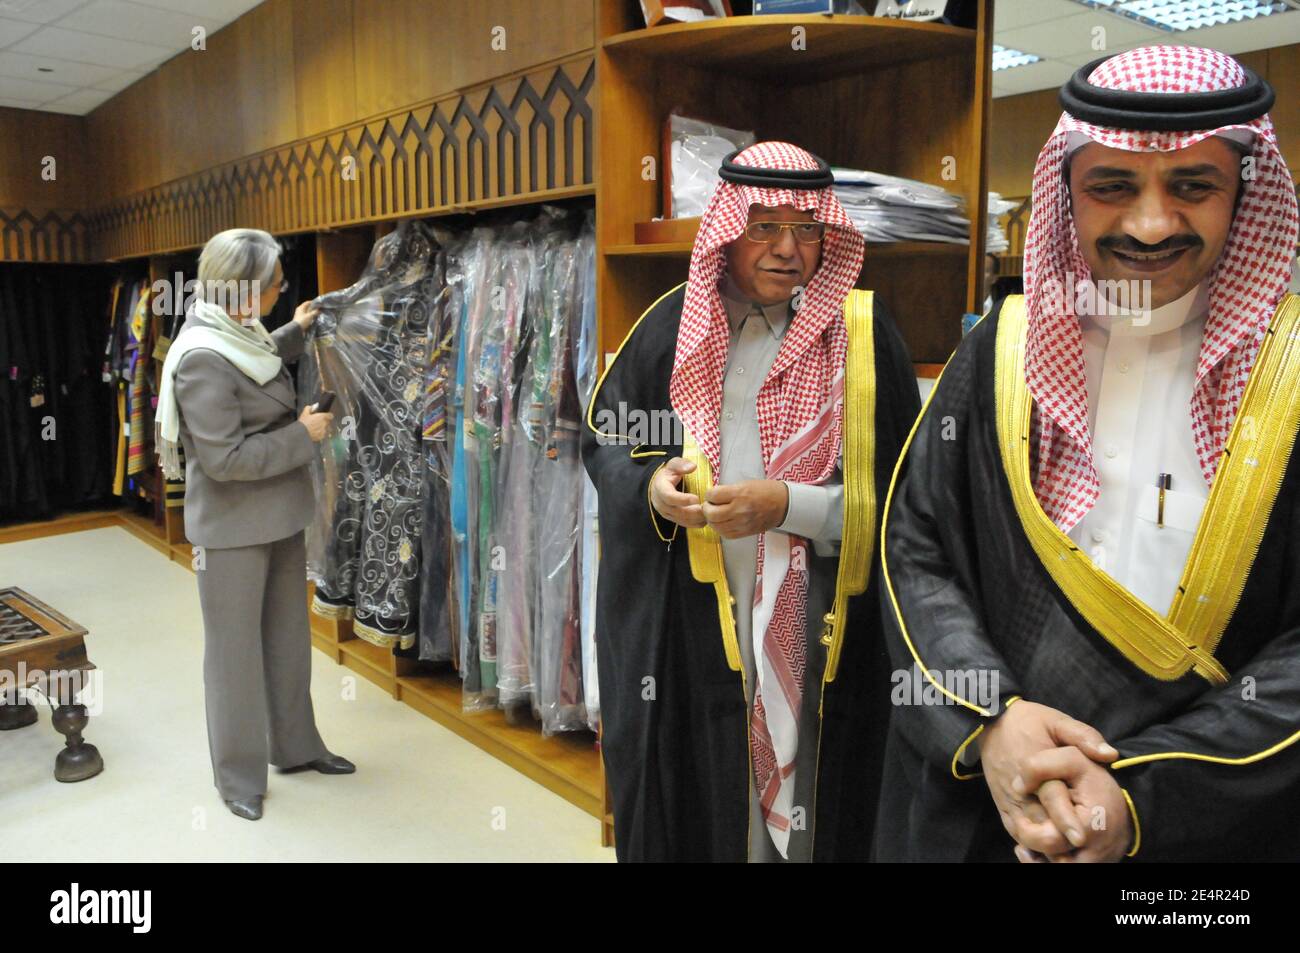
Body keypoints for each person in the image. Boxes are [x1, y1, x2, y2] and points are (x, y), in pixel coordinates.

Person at [877, 46, 1300, 862]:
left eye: (1193, 186)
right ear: (1066, 191)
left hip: (1203, 825)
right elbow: (917, 548)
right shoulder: (1001, 351)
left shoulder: (1289, 378)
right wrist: (993, 720)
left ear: (1245, 194)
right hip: (987, 804)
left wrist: (1137, 791)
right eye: (1112, 186)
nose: (1151, 224)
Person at [582, 142, 919, 861]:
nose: (787, 249)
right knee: (701, 796)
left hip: (819, 627)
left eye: (807, 229)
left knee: (812, 809)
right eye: (764, 226)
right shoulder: (669, 327)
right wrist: (651, 487)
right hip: (693, 620)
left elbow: (901, 500)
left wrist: (788, 505)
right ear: (728, 228)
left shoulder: (862, 339)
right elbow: (606, 442)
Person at [156, 228, 356, 821]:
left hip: (279, 516)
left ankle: (295, 747)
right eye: (274, 285)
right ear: (244, 290)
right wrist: (302, 435)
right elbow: (224, 460)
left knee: (287, 641)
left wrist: (294, 329)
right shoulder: (199, 358)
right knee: (234, 657)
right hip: (231, 531)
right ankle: (239, 777)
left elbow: (258, 358)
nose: (280, 291)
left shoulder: (236, 330)